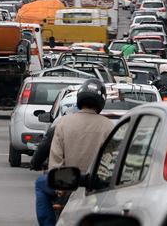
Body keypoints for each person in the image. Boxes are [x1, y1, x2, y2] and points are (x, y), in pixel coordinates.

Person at [34, 79, 115, 226]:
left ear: (79, 98)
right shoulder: (109, 126)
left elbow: (56, 161)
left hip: (67, 181)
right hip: (96, 184)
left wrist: (60, 188)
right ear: (101, 102)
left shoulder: (64, 123)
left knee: (40, 184)